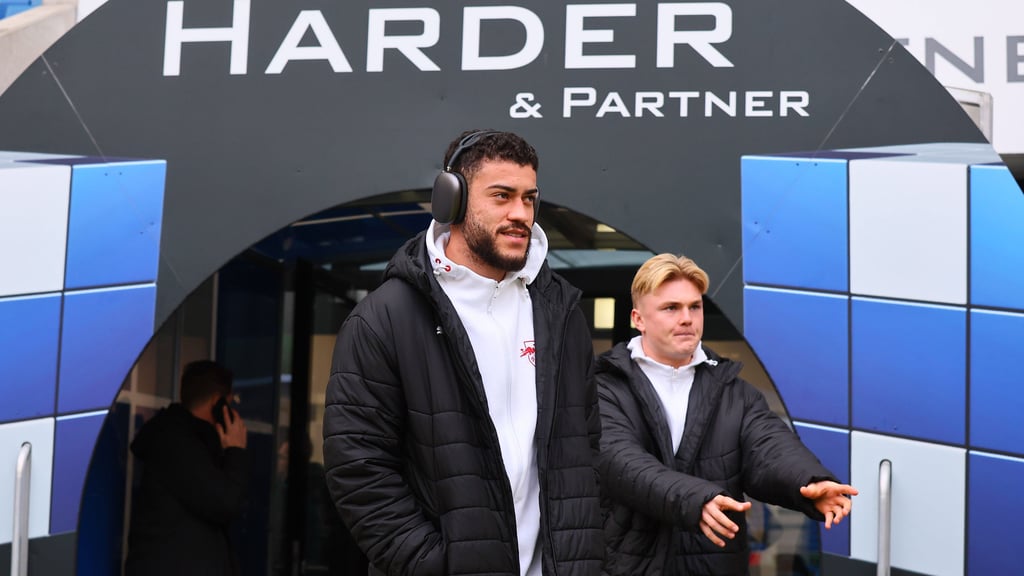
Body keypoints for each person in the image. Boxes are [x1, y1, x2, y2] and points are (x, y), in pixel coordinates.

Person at [322, 129, 604, 576]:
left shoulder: (561, 313)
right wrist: (438, 565)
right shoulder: (384, 318)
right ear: (450, 200)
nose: (520, 214)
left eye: (529, 198)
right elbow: (359, 471)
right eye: (501, 196)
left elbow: (587, 450)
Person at [596, 254, 858, 576]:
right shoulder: (603, 388)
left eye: (695, 307)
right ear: (639, 319)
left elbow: (770, 447)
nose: (687, 318)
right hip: (627, 565)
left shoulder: (734, 392)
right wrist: (695, 500)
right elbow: (621, 462)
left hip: (714, 563)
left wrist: (808, 480)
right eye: (671, 308)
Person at [125, 360, 249, 576]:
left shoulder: (187, 440)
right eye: (230, 403)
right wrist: (236, 450)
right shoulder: (176, 442)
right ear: (217, 402)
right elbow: (225, 502)